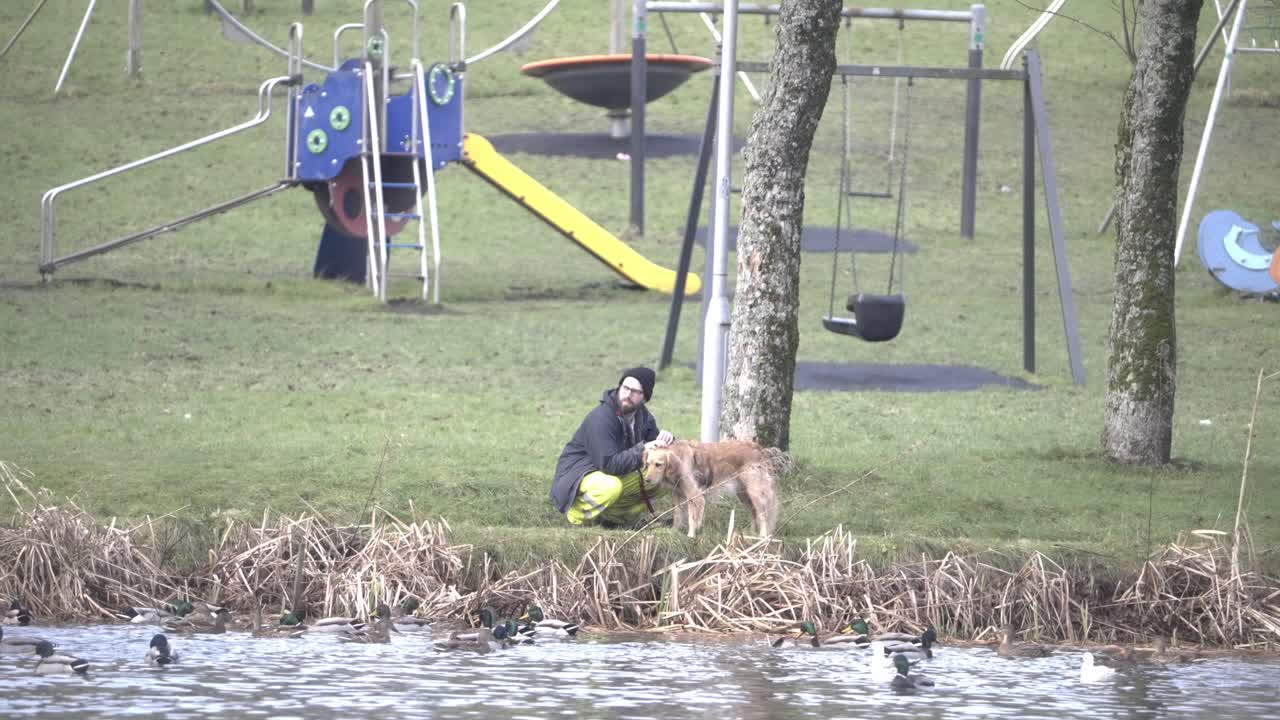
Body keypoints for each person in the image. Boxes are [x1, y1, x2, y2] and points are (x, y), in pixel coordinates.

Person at [550, 367, 674, 528]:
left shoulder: (643, 416)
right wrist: (643, 449)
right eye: (625, 388)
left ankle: (614, 517)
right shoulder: (601, 418)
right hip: (579, 475)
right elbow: (610, 465)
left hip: (608, 472)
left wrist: (665, 441)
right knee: (610, 487)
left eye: (635, 391)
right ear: (619, 387)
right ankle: (578, 514)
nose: (628, 395)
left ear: (645, 397)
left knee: (665, 474)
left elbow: (654, 449)